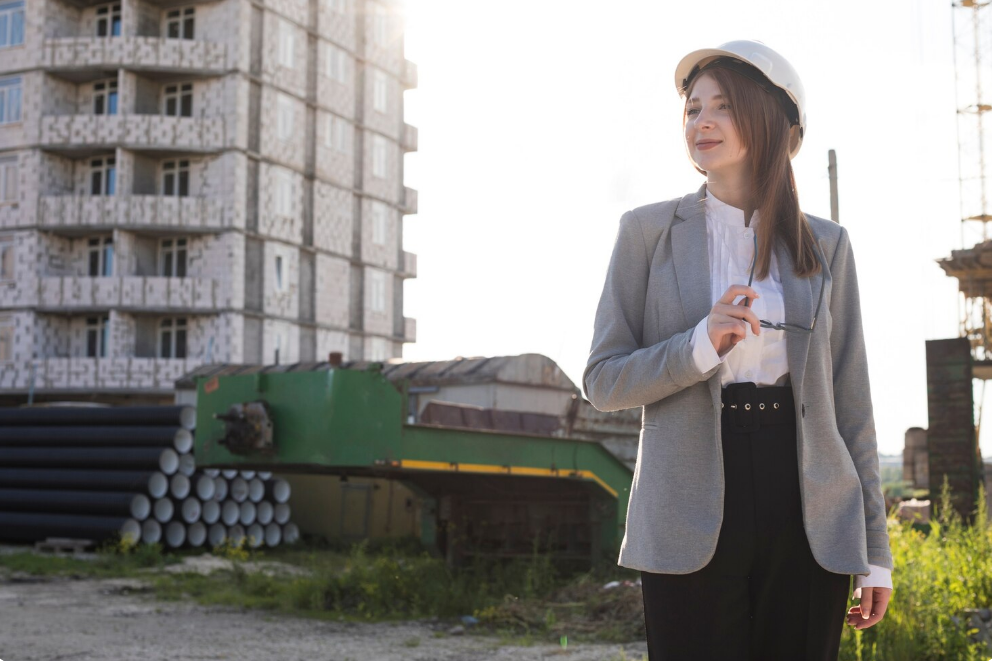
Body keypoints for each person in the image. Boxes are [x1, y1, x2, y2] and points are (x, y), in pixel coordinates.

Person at [581, 40, 893, 660]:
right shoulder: (646, 232)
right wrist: (699, 345)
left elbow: (851, 401)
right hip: (687, 498)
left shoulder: (827, 244)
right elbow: (603, 381)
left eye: (722, 105)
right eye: (693, 109)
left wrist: (875, 550)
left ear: (771, 118)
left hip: (809, 504)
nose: (702, 121)